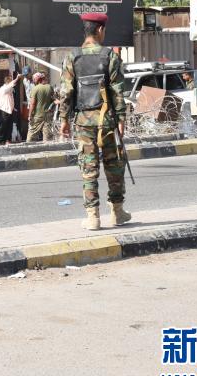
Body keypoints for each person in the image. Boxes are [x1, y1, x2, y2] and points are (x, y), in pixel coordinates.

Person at [59, 13, 131, 231]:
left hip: (83, 121)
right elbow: (118, 91)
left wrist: (64, 119)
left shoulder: (72, 57)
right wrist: (121, 118)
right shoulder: (110, 56)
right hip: (107, 121)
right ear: (100, 30)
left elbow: (66, 92)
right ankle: (117, 212)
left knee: (88, 168)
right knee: (114, 166)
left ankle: (93, 217)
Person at [27, 72, 55, 142]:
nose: (33, 81)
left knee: (31, 135)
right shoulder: (49, 87)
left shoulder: (35, 89)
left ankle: (29, 147)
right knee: (47, 137)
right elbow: (53, 99)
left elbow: (32, 104)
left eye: (34, 79)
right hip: (48, 116)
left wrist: (30, 115)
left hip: (37, 116)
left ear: (37, 79)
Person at [0, 73, 19, 145]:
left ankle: (7, 140)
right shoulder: (3, 88)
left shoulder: (10, 89)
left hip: (10, 110)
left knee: (9, 125)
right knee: (2, 125)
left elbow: (11, 99)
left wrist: (13, 108)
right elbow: (11, 85)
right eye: (11, 81)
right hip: (4, 110)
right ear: (8, 82)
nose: (13, 84)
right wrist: (17, 78)